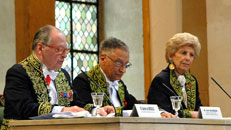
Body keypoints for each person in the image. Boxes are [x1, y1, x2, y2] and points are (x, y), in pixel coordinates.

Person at [1, 25, 85, 129]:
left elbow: (76, 103)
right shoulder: (18, 73)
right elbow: (24, 109)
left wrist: (96, 110)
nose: (65, 55)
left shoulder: (63, 74)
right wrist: (61, 110)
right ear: (40, 48)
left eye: (66, 50)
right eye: (59, 49)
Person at [72, 37, 137, 116]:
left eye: (126, 65)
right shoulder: (83, 81)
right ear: (103, 59)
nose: (123, 70)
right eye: (118, 63)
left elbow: (134, 107)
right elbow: (84, 109)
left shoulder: (119, 84)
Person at [147, 32, 203, 118]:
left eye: (191, 55)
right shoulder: (161, 80)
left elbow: (198, 108)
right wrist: (191, 114)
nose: (188, 58)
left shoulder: (192, 80)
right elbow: (162, 111)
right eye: (184, 53)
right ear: (170, 56)